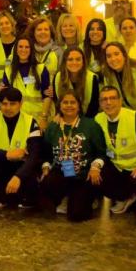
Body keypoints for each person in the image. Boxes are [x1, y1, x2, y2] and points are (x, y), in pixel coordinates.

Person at [38, 91, 106, 222]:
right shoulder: (53, 127)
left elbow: (101, 152)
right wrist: (46, 167)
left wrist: (95, 167)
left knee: (76, 215)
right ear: (60, 106)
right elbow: (46, 153)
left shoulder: (91, 125)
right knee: (45, 190)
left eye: (73, 102)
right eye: (65, 102)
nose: (69, 106)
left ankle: (89, 198)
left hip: (83, 173)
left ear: (79, 106)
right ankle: (65, 196)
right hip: (62, 171)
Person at [0, 87, 42, 210]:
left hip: (21, 168)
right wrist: (6, 154)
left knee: (32, 168)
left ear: (20, 104)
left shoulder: (31, 122)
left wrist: (18, 176)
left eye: (12, 104)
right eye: (4, 104)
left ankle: (23, 197)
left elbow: (34, 155)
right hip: (0, 165)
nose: (8, 108)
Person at [95, 86, 136, 215]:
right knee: (97, 173)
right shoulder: (98, 119)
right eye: (104, 99)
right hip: (117, 166)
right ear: (100, 103)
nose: (108, 102)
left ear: (120, 101)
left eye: (112, 98)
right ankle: (123, 198)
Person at [2, 37, 53, 126]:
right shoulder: (8, 70)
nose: (23, 50)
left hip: (38, 119)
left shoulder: (41, 68)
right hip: (17, 119)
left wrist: (43, 118)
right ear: (16, 50)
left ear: (31, 50)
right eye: (20, 47)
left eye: (27, 47)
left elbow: (47, 96)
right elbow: (5, 95)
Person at [101, 42, 136, 114]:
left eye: (116, 54)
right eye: (109, 56)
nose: (113, 59)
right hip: (129, 116)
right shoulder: (108, 76)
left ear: (124, 55)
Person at [53, 47, 100, 117]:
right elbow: (57, 103)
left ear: (83, 62)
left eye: (78, 59)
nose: (74, 62)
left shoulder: (92, 78)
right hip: (64, 118)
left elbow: (94, 107)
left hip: (87, 119)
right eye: (70, 59)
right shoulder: (58, 77)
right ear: (65, 62)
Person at [0, 10, 19, 91]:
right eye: (1, 24)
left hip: (16, 91)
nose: (4, 26)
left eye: (7, 23)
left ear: (12, 25)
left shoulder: (20, 44)